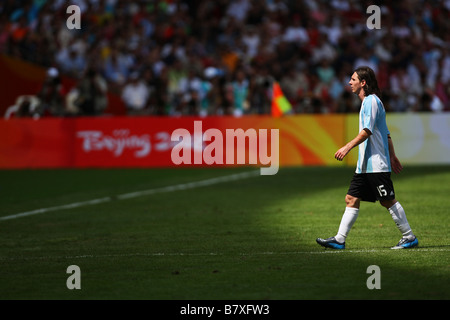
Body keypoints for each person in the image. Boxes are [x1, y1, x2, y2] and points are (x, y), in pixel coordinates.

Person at [316, 66, 419, 250]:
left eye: (353, 79)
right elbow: (386, 134)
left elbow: (367, 131)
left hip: (376, 164)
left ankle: (409, 237)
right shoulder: (368, 102)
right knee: (351, 198)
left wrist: (347, 147)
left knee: (387, 200)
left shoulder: (371, 101)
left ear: (363, 82)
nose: (350, 82)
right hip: (364, 166)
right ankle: (339, 239)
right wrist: (393, 156)